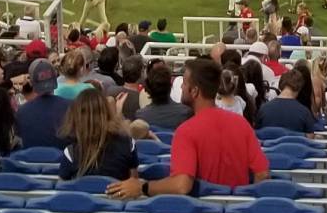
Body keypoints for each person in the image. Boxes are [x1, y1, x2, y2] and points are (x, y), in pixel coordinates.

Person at [108, 58, 269, 197]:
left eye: (184, 83)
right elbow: (262, 174)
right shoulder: (241, 124)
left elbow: (182, 185)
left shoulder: (186, 132)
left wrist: (143, 186)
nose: (180, 88)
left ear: (194, 91)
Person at [58, 86, 139, 182]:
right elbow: (134, 182)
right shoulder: (127, 144)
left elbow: (62, 187)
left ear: (76, 116)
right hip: (118, 196)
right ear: (106, 112)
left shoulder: (71, 152)